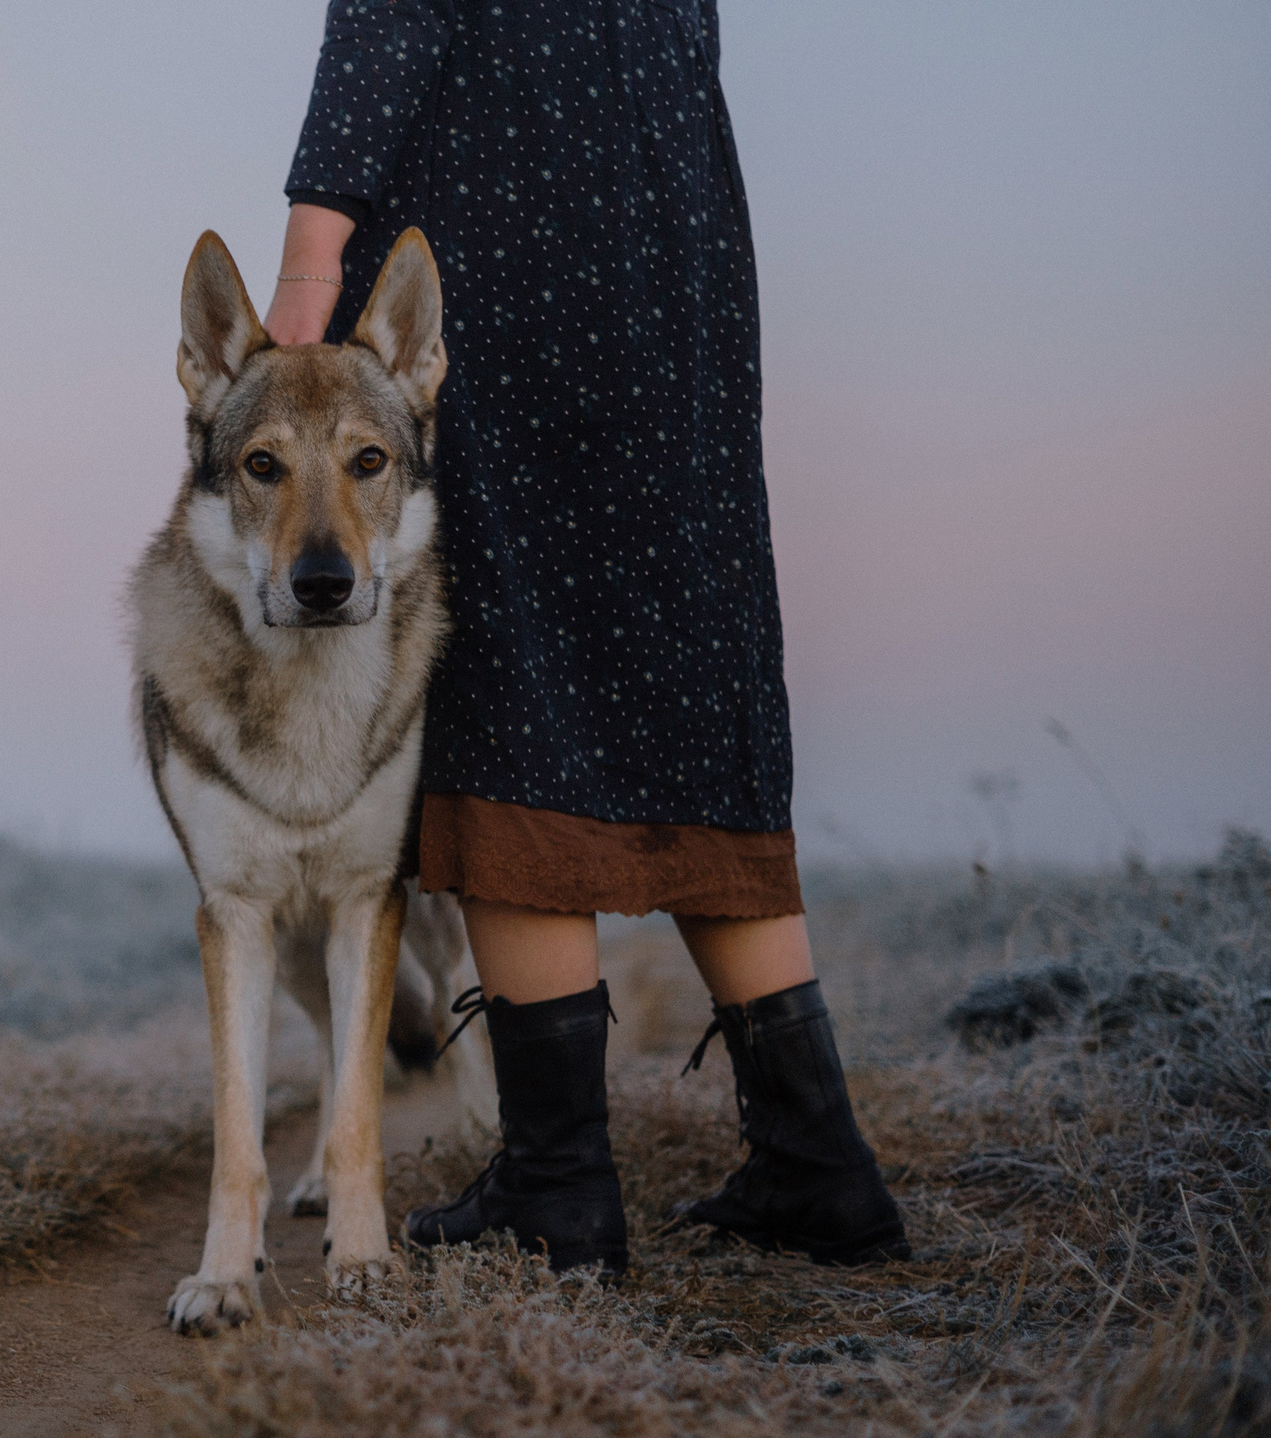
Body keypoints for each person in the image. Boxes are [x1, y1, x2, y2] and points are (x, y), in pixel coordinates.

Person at [266, 0, 907, 1275]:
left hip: (500, 250)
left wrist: (307, 255)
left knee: (516, 683)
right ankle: (819, 1162)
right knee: (683, 683)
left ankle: (560, 1191)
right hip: (672, 260)